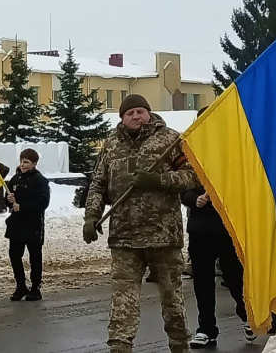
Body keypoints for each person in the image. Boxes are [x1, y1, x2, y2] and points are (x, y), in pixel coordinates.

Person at [84, 94, 196, 353]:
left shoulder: (170, 139)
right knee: (123, 298)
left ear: (148, 113)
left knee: (171, 297)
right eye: (129, 113)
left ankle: (179, 344)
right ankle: (120, 346)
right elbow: (98, 184)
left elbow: (192, 176)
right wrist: (91, 216)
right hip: (124, 236)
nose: (136, 116)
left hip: (163, 234)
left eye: (140, 111)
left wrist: (159, 180)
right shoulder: (111, 145)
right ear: (122, 118)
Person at [180, 106, 255, 348]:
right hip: (200, 230)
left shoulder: (234, 151)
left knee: (234, 279)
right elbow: (182, 187)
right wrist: (195, 199)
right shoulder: (190, 153)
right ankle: (206, 329)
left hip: (228, 230)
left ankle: (247, 316)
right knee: (202, 282)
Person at [5, 149, 51, 302]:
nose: (22, 165)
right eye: (21, 161)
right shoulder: (15, 179)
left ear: (34, 164)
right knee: (14, 255)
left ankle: (36, 287)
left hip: (33, 225)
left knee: (35, 257)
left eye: (26, 162)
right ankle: (20, 285)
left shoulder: (40, 180)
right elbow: (7, 200)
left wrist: (23, 207)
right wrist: (8, 199)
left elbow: (43, 202)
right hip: (16, 224)